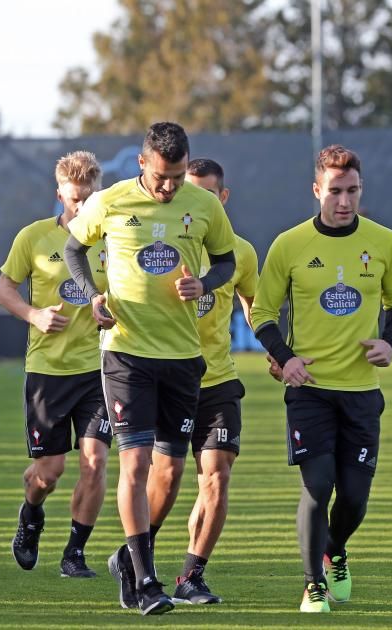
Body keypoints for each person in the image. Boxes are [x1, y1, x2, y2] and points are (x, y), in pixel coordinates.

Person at [64, 122, 236, 615]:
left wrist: (204, 283)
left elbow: (225, 261)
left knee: (170, 471)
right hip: (126, 351)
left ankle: (126, 557)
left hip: (183, 357)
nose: (169, 187)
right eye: (162, 177)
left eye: (177, 178)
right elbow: (75, 247)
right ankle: (146, 581)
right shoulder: (111, 201)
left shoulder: (203, 206)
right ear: (142, 164)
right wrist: (94, 293)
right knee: (134, 463)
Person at [252, 145, 392, 613]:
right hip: (310, 392)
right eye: (335, 191)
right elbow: (262, 314)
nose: (345, 201)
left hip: (362, 393)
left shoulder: (384, 242)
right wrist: (286, 358)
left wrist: (390, 343)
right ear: (316, 190)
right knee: (318, 486)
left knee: (355, 499)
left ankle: (335, 549)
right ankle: (313, 583)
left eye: (353, 191)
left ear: (361, 190)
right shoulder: (289, 244)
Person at [138, 158, 259, 605]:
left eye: (206, 194)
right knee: (166, 476)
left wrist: (275, 353)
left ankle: (191, 575)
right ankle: (137, 553)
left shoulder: (241, 252)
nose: (195, 203)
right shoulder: (158, 243)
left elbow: (253, 303)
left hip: (218, 380)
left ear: (221, 199)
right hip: (168, 375)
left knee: (217, 475)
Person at [0, 151, 111, 579]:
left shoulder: (112, 240)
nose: (80, 206)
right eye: (73, 198)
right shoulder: (33, 238)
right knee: (49, 471)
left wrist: (111, 313)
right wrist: (33, 315)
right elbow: (5, 287)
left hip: (99, 368)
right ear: (59, 192)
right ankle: (31, 514)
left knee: (95, 461)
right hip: (47, 370)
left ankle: (75, 552)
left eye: (88, 198)